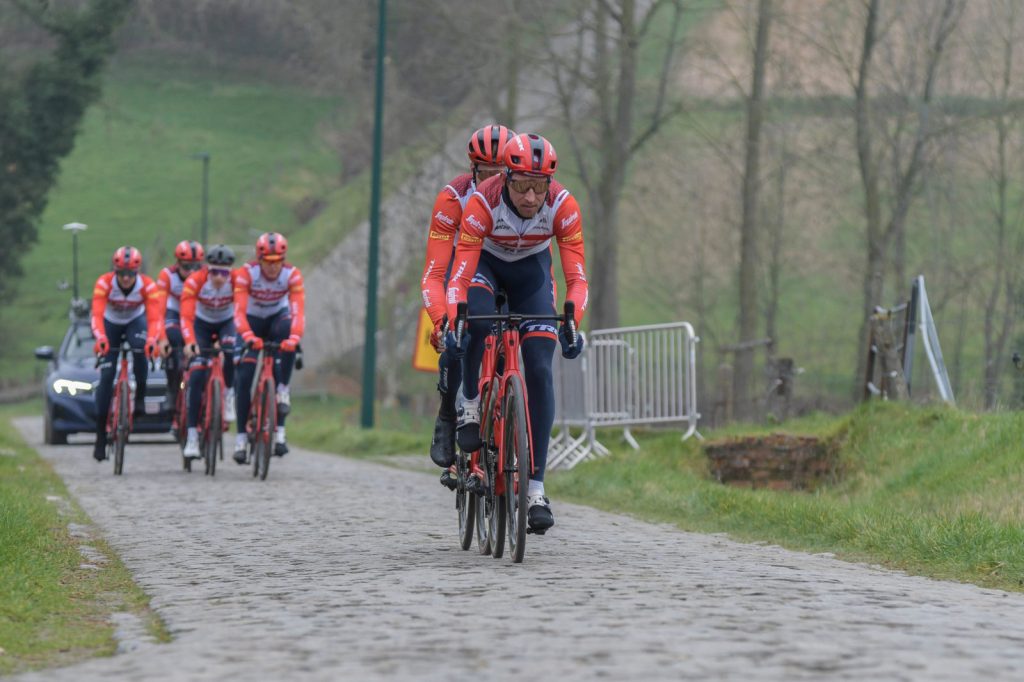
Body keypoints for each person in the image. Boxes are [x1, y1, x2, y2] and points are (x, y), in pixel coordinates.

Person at [445, 133, 588, 532]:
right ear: (505, 178)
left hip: (531, 275)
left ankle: (536, 490)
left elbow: (577, 277)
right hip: (484, 267)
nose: (530, 196)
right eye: (522, 184)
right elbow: (459, 274)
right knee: (476, 321)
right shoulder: (481, 203)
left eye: (539, 186)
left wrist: (574, 320)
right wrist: (455, 316)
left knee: (541, 368)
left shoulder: (563, 206)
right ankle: (470, 404)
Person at [421, 123, 516, 472]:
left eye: (500, 172)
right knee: (456, 341)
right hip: (461, 270)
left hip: (506, 269)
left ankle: (511, 421)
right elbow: (434, 273)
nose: (493, 178)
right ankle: (448, 413)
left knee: (514, 339)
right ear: (473, 169)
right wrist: (442, 320)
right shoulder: (454, 196)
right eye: (485, 171)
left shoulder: (521, 195)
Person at [232, 232, 305, 463]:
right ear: (259, 259)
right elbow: (238, 312)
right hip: (251, 322)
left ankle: (282, 389)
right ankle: (241, 437)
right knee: (244, 377)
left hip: (277, 320)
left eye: (277, 262)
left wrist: (294, 338)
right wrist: (247, 336)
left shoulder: (291, 275)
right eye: (268, 262)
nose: (273, 267)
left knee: (288, 339)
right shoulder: (247, 274)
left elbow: (298, 312)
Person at [90, 246, 163, 462]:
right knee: (106, 377)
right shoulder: (104, 283)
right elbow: (96, 315)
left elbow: (155, 318)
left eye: (130, 274)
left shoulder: (147, 285)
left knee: (141, 351)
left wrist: (152, 340)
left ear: (137, 272)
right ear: (115, 271)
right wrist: (101, 339)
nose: (125, 278)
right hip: (110, 323)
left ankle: (139, 397)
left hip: (135, 321)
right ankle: (100, 436)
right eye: (121, 273)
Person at [179, 245, 240, 459]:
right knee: (196, 377)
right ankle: (192, 436)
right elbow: (186, 316)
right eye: (215, 272)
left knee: (231, 352)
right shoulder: (195, 281)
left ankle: (229, 393)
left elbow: (243, 309)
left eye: (224, 273)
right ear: (207, 269)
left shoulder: (237, 281)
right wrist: (189, 341)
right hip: (201, 325)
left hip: (226, 323)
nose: (219, 278)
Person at [155, 240, 204, 434]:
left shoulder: (206, 276)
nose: (191, 271)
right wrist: (161, 339)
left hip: (197, 316)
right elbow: (158, 312)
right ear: (177, 263)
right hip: (174, 314)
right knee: (173, 341)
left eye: (196, 266)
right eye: (186, 267)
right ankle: (172, 391)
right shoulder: (167, 276)